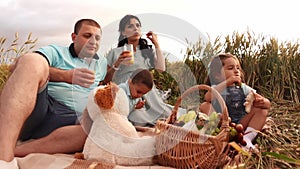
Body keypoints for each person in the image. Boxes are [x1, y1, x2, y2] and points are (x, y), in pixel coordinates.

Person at [0, 18, 107, 168]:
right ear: (74, 37)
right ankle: (3, 158)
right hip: (40, 107)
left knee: (97, 129)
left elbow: (107, 82)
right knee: (32, 60)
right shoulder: (56, 52)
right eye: (87, 35)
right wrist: (66, 76)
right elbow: (16, 66)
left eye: (97, 38)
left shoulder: (101, 63)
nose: (93, 41)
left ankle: (16, 151)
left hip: (69, 120)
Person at [102, 14, 173, 126]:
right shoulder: (115, 52)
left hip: (147, 93)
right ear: (123, 32)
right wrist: (117, 63)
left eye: (138, 26)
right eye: (130, 26)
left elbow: (161, 69)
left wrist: (156, 44)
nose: (135, 28)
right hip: (126, 92)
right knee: (136, 118)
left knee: (167, 113)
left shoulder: (146, 52)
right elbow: (106, 80)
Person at [199, 53, 270, 150]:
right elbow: (207, 97)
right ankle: (218, 135)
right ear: (217, 75)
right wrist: (227, 82)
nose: (236, 71)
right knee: (205, 105)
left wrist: (264, 102)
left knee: (262, 111)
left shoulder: (243, 87)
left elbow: (265, 103)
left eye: (238, 68)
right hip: (221, 124)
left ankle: (246, 139)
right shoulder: (217, 88)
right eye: (230, 68)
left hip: (240, 124)